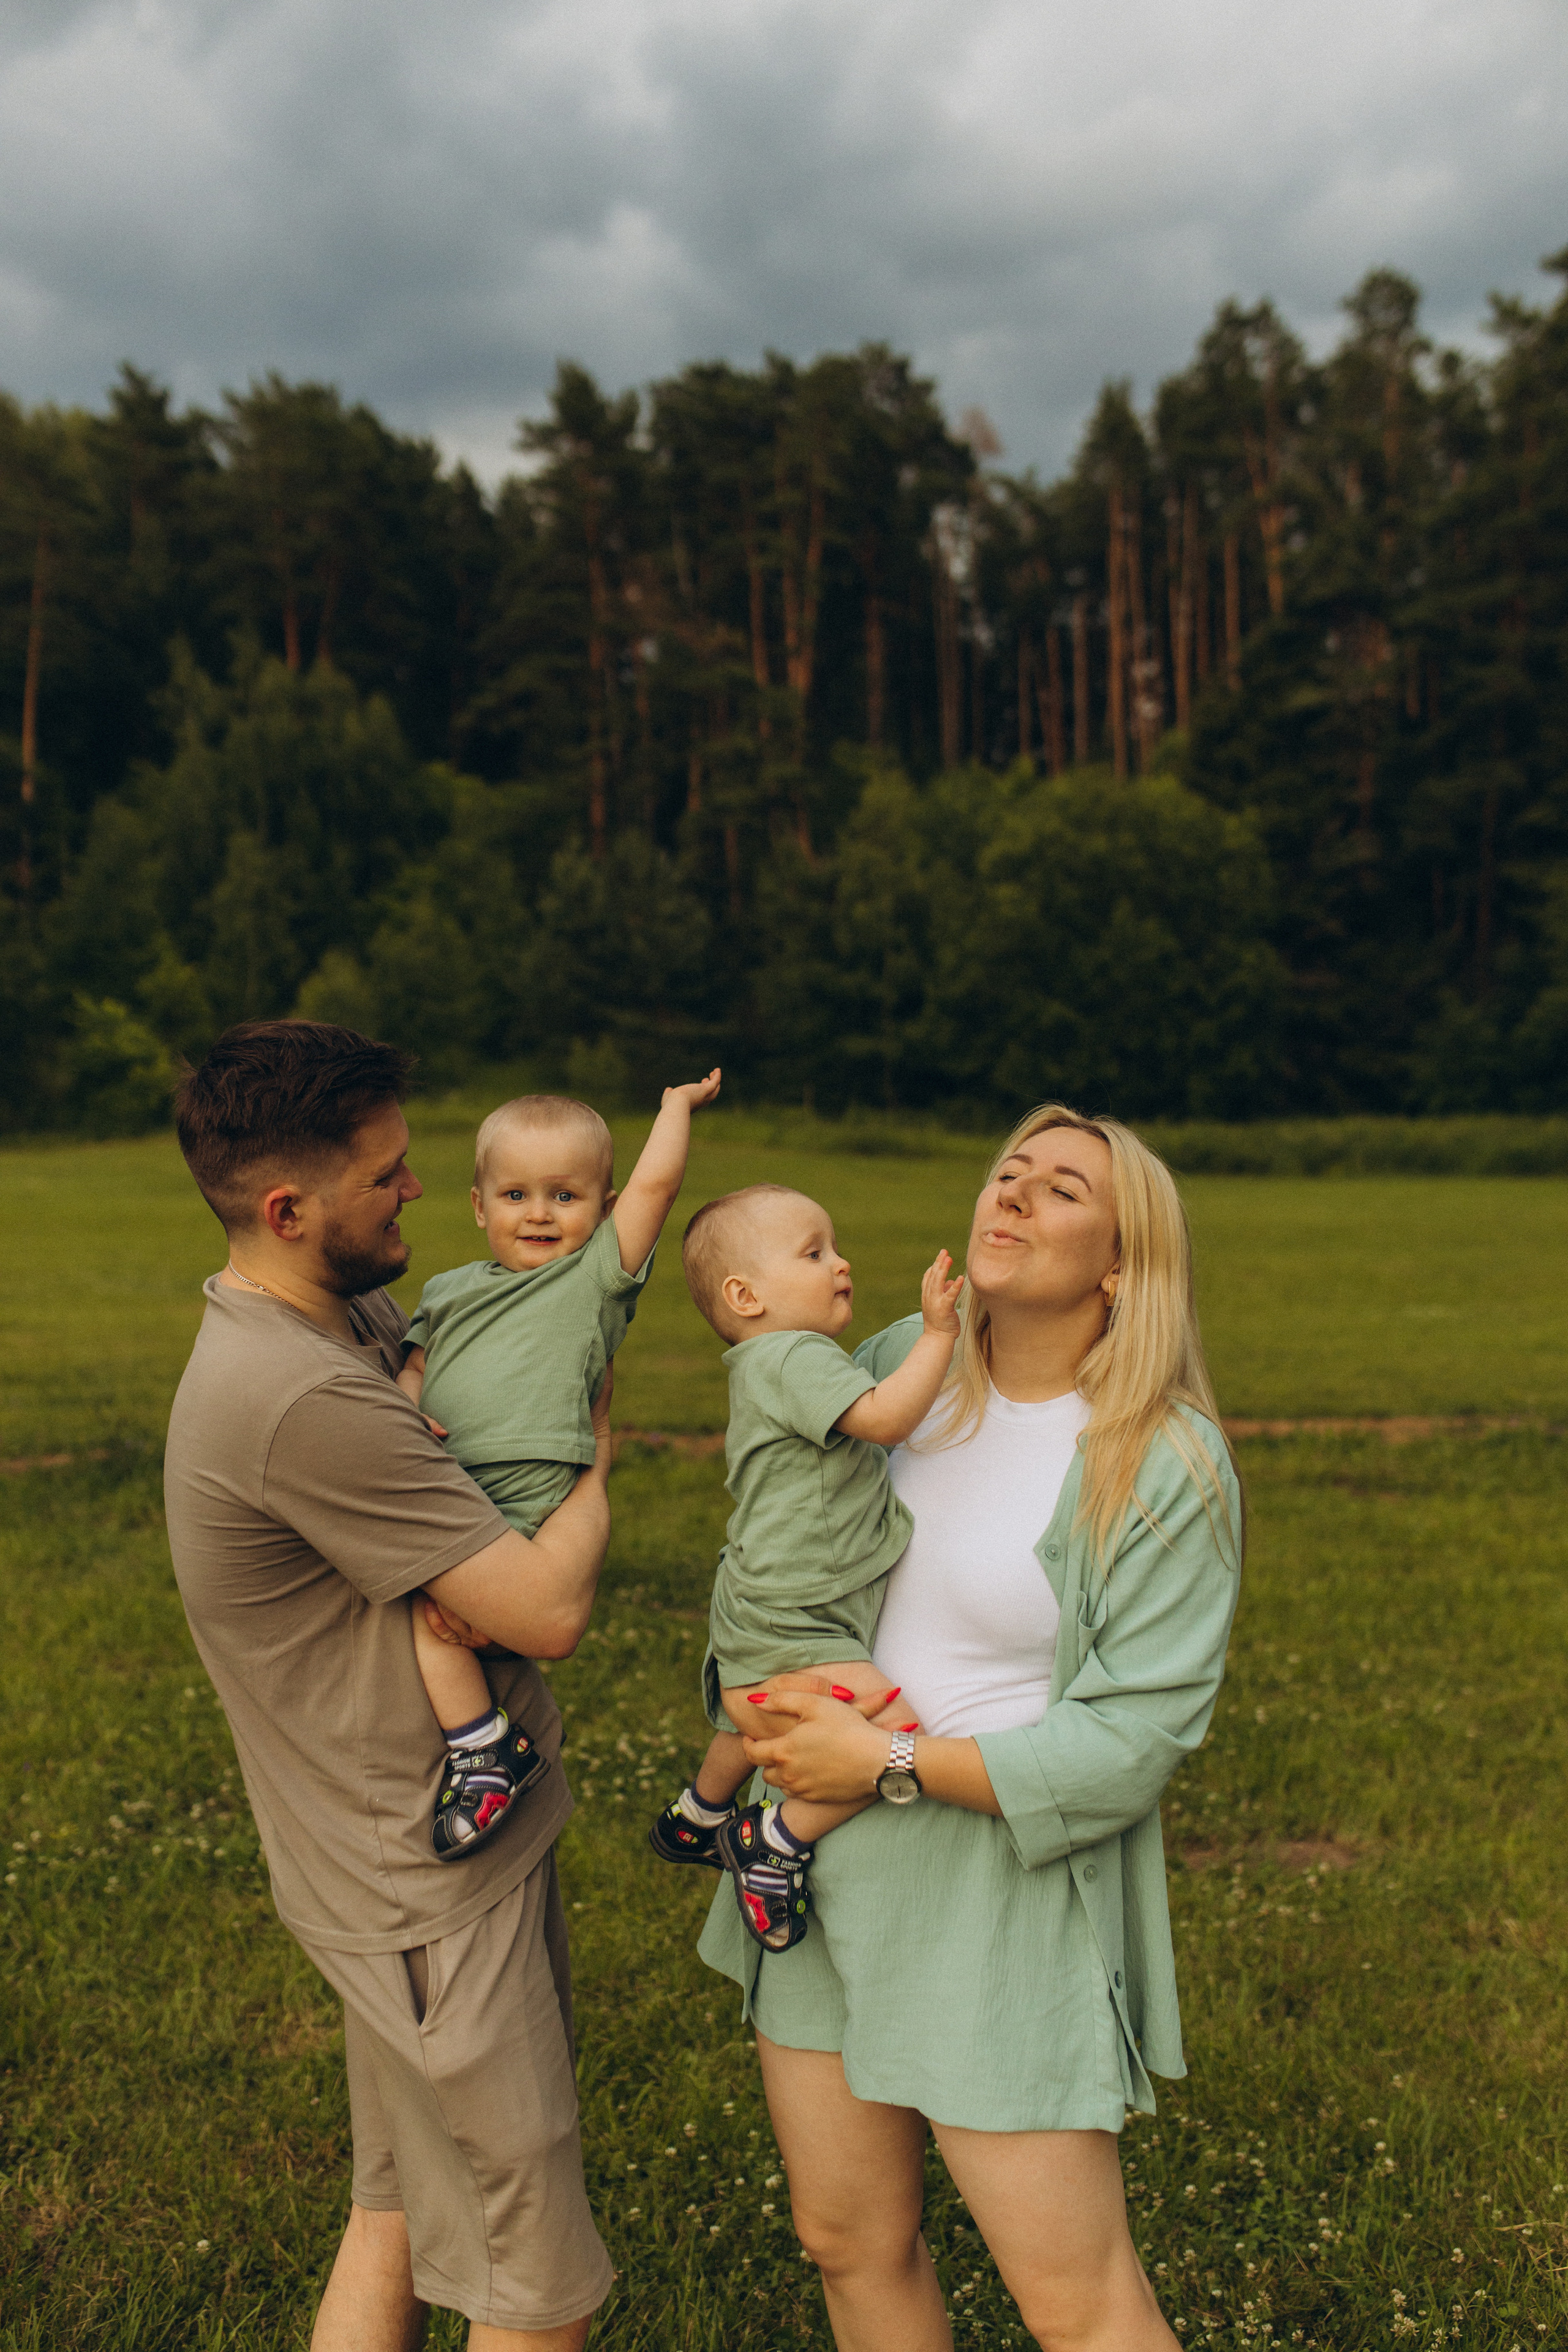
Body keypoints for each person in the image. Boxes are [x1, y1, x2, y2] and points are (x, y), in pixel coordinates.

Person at [696, 1105, 1244, 2352]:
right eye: (1008, 1172)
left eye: (1058, 1190)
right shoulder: (896, 1363)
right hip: (814, 1861)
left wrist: (883, 1759)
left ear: (1120, 1263)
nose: (1012, 1196)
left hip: (989, 1881)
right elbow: (770, 1542)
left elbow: (1132, 1743)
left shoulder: (1161, 1460)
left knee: (1074, 2301)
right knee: (846, 2240)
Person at [164, 1021, 615, 2352]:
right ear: (291, 1210)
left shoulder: (337, 1314)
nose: (418, 1190)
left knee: (399, 2216)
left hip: (406, 1868)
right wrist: (587, 1443)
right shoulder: (298, 1393)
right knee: (538, 2293)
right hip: (423, 1887)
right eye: (388, 1175)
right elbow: (546, 1604)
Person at [395, 1074, 719, 1857]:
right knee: (424, 1613)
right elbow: (411, 1368)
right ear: (478, 1206)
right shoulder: (447, 1290)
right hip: (450, 1481)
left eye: (565, 1196)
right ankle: (489, 1743)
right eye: (514, 1194)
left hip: (532, 1489)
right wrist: (404, 1408)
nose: (538, 1213)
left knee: (445, 1617)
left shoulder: (594, 1280)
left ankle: (479, 1751)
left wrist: (673, 1110)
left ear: (604, 1212)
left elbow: (657, 1185)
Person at [647, 1183, 962, 1947]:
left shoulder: (769, 1362)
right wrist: (939, 1338)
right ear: (744, 1295)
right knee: (892, 1734)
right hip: (797, 1612)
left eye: (835, 1245)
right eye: (813, 1253)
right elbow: (885, 1418)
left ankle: (699, 1815)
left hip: (769, 1602)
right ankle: (773, 1842)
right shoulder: (792, 1356)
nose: (840, 1262)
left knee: (759, 1711)